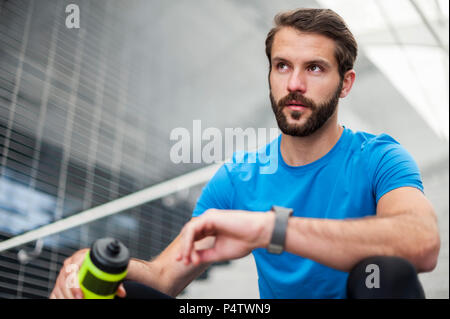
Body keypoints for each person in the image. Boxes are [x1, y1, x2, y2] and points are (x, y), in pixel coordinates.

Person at [50, 8, 440, 299]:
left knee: (382, 273)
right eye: (282, 65)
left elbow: (421, 243)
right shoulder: (238, 177)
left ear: (346, 83)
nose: (295, 84)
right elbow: (165, 276)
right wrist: (103, 267)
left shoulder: (379, 158)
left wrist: (271, 228)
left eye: (316, 69)